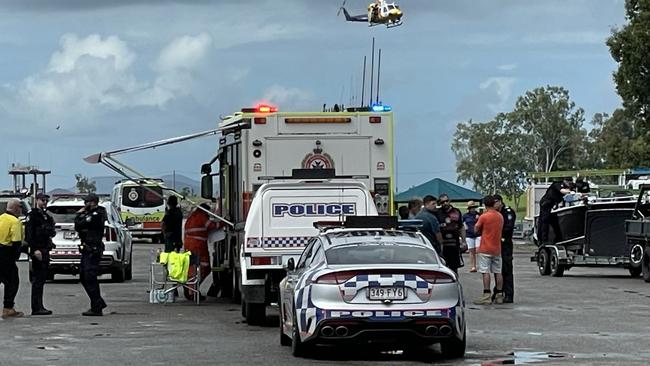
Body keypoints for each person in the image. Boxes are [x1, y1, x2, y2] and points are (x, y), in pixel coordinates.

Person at [75, 193, 107, 316]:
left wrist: (79, 215)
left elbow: (81, 224)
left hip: (93, 249)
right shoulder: (88, 213)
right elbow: (78, 226)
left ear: (93, 202)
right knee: (83, 276)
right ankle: (98, 302)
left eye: (87, 202)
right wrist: (80, 215)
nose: (85, 204)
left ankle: (96, 307)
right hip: (86, 249)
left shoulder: (97, 213)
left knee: (90, 277)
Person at [25, 193, 56, 315]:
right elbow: (29, 234)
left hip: (45, 248)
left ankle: (40, 305)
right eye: (42, 200)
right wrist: (34, 250)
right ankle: (36, 307)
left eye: (46, 201)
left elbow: (51, 231)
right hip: (38, 249)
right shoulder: (32, 215)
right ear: (37, 200)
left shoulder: (46, 216)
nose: (44, 202)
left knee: (42, 279)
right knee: (37, 280)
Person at [473, 195, 505, 305]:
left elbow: (476, 229)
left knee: (485, 271)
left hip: (485, 248)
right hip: (497, 248)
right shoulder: (500, 216)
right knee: (498, 271)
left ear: (485, 205)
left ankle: (486, 294)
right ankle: (499, 294)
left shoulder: (484, 216)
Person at [183, 203, 218, 300]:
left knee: (193, 268)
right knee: (203, 267)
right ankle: (192, 291)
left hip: (190, 245)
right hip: (197, 246)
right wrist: (224, 222)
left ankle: (191, 288)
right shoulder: (201, 217)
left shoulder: (192, 217)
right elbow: (212, 226)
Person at [0, 199, 25, 318]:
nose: (21, 210)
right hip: (6, 252)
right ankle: (8, 308)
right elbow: (16, 242)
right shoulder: (15, 221)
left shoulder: (1, 218)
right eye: (20, 207)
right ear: (15, 208)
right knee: (12, 281)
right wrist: (15, 257)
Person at [436, 193, 466, 273]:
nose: (445, 203)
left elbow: (461, 227)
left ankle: (455, 284)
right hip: (442, 246)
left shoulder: (456, 211)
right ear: (440, 203)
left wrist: (464, 241)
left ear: (449, 201)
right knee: (443, 269)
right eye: (442, 202)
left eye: (446, 201)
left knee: (454, 269)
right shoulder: (437, 213)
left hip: (454, 245)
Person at [494, 194, 516, 303]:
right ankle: (498, 291)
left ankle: (508, 294)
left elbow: (508, 227)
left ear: (499, 202)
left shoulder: (507, 212)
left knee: (506, 269)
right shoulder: (496, 213)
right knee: (498, 269)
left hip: (505, 242)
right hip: (497, 243)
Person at [537, 178, 573, 244]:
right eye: (569, 183)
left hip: (552, 205)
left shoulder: (567, 186)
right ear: (565, 181)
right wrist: (570, 192)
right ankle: (543, 239)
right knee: (545, 221)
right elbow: (562, 191)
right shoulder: (558, 184)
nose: (570, 184)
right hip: (546, 203)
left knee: (555, 222)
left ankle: (558, 238)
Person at [463, 200, 481, 272]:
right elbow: (462, 224)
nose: (472, 209)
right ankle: (473, 266)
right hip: (469, 234)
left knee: (478, 250)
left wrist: (478, 219)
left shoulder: (479, 215)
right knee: (471, 251)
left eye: (473, 207)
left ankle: (481, 265)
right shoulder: (465, 216)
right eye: (471, 207)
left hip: (478, 234)